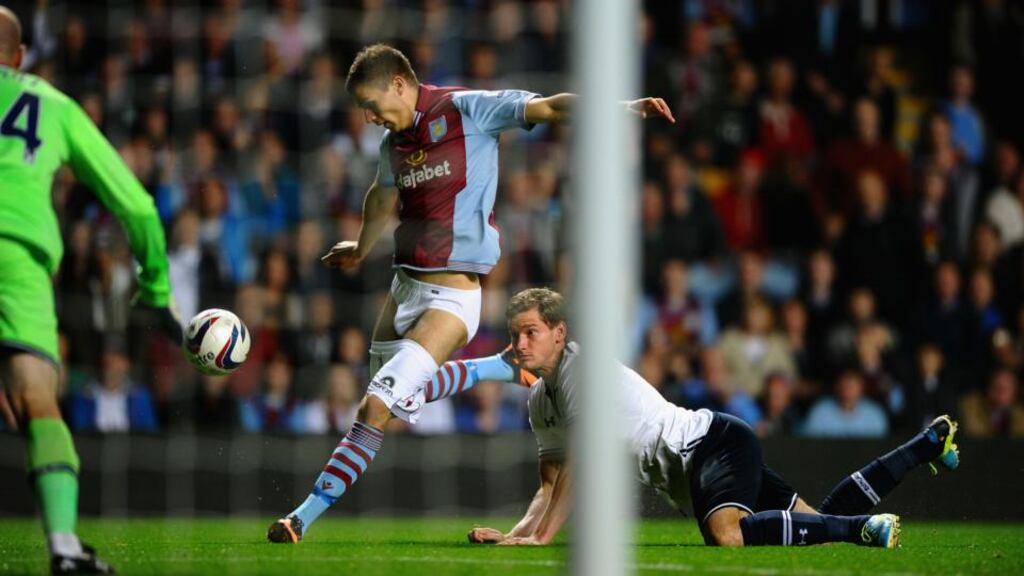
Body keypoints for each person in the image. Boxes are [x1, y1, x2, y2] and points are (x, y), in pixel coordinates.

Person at [267, 43, 674, 543]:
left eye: (371, 103)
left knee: (374, 407)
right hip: (404, 285)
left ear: (399, 82)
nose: (369, 116)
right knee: (394, 396)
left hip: (453, 298)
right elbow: (381, 196)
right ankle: (495, 368)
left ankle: (300, 518)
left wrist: (624, 108)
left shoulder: (466, 108)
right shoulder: (392, 144)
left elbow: (549, 106)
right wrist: (360, 245)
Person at [462, 288, 959, 548]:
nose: (518, 344)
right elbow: (550, 486)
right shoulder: (539, 399)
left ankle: (860, 532)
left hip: (711, 446)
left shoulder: (579, 370)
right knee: (815, 524)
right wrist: (519, 534)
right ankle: (925, 446)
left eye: (529, 332)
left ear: (558, 332)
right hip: (702, 460)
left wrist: (542, 538)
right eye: (513, 334)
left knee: (726, 535)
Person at [0, 6, 181, 573]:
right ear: (19, 56)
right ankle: (63, 548)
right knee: (35, 401)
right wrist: (154, 286)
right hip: (16, 259)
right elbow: (137, 205)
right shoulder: (50, 104)